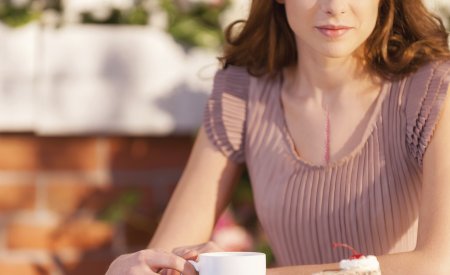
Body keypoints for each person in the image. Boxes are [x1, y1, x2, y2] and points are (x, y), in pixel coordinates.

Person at [106, 0, 450, 274]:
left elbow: (438, 264)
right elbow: (167, 253)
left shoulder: (432, 90)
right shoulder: (241, 93)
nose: (334, 6)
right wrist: (140, 267)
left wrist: (243, 273)